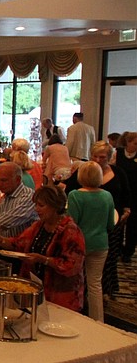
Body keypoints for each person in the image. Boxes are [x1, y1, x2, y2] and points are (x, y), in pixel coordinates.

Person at [0, 186, 86, 313]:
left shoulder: (70, 231)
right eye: (35, 205)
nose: (36, 209)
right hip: (37, 291)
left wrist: (43, 260)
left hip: (61, 296)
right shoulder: (39, 225)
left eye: (41, 205)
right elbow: (17, 244)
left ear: (55, 206)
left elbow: (71, 266)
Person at [65, 141, 132, 292]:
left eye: (102, 157)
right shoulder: (84, 171)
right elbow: (69, 191)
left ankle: (104, 290)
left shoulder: (118, 172)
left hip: (113, 222)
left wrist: (127, 210)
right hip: (87, 222)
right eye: (95, 156)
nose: (97, 160)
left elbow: (127, 193)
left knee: (108, 260)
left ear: (109, 157)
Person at [67, 162, 115, 321]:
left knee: (75, 282)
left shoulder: (75, 195)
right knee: (95, 285)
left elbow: (72, 223)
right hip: (101, 243)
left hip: (80, 244)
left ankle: (75, 317)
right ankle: (98, 320)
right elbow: (110, 224)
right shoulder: (107, 195)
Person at [0, 162, 38, 239]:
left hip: (21, 248)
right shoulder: (7, 195)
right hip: (5, 246)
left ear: (18, 180)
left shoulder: (28, 197)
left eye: (4, 180)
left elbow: (3, 223)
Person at [114, 132, 137, 263]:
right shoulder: (118, 154)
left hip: (135, 194)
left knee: (133, 225)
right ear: (127, 143)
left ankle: (129, 251)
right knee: (119, 222)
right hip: (121, 193)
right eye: (135, 143)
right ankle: (117, 249)